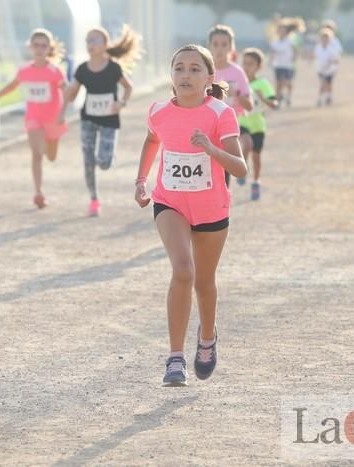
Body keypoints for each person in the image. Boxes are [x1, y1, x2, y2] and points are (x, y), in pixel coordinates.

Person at [134, 44, 247, 387]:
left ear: (209, 78)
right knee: (183, 271)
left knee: (204, 282)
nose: (186, 74)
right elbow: (152, 140)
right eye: (179, 68)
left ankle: (208, 338)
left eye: (195, 69)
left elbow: (240, 168)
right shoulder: (158, 111)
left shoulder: (220, 113)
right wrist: (141, 181)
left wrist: (211, 149)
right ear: (171, 75)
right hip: (171, 203)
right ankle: (174, 358)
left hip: (212, 208)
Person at [0, 28, 67, 209]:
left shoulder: (54, 72)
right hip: (33, 118)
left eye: (43, 46)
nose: (39, 49)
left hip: (53, 119)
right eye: (36, 45)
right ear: (30, 47)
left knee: (51, 156)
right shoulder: (25, 71)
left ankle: (50, 142)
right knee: (36, 154)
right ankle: (38, 192)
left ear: (49, 49)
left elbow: (67, 91)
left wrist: (63, 112)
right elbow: (12, 86)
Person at [64, 25, 140, 217]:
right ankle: (94, 199)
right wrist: (66, 95)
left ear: (105, 44)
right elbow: (71, 94)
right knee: (88, 160)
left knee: (104, 163)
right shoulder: (82, 69)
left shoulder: (113, 68)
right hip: (88, 119)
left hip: (109, 120)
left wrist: (121, 103)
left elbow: (128, 88)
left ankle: (107, 155)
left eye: (95, 40)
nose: (90, 44)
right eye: (88, 40)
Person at [207, 24, 253, 187]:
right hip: (207, 129)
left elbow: (249, 106)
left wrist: (237, 94)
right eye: (216, 44)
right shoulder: (203, 71)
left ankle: (222, 208)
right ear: (209, 46)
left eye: (224, 44)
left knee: (222, 177)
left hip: (228, 131)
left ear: (231, 47)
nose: (220, 49)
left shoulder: (237, 72)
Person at [240, 48, 278, 201]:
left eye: (251, 64)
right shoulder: (239, 83)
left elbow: (274, 103)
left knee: (256, 156)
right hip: (242, 121)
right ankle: (242, 168)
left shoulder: (263, 84)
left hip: (258, 125)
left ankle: (255, 182)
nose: (247, 67)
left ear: (258, 67)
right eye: (245, 63)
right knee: (246, 143)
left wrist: (264, 99)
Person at [269, 19, 300, 108]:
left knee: (287, 82)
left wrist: (294, 57)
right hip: (278, 65)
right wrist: (271, 61)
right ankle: (278, 100)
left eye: (283, 31)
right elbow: (272, 53)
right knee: (278, 83)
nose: (281, 32)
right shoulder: (274, 42)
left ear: (286, 32)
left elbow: (296, 50)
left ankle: (288, 96)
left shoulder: (290, 41)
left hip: (288, 66)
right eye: (280, 31)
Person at [314, 28, 340, 107]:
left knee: (328, 84)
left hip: (330, 70)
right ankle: (320, 99)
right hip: (321, 69)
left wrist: (330, 62)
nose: (324, 40)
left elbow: (337, 60)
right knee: (323, 83)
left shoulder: (332, 49)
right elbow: (315, 56)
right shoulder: (318, 47)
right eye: (323, 38)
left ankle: (329, 96)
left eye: (326, 39)